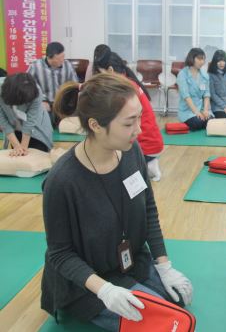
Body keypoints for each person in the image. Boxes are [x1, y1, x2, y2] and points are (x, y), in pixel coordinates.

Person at [42, 73, 193, 332]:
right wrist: (105, 290)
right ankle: (81, 306)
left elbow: (148, 209)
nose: (139, 130)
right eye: (129, 123)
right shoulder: (62, 181)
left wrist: (164, 265)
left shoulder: (131, 151)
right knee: (166, 324)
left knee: (177, 300)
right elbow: (60, 254)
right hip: (86, 282)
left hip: (129, 262)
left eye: (139, 119)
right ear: (96, 125)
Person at [94, 51, 164, 181]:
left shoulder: (124, 88)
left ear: (110, 70)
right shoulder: (130, 82)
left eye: (101, 73)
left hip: (145, 146)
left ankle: (146, 164)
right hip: (153, 143)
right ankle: (149, 163)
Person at [27, 41, 78, 126]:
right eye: (59, 58)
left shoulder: (67, 65)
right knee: (44, 122)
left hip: (63, 103)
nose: (63, 60)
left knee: (69, 124)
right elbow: (27, 87)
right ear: (50, 58)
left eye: (63, 56)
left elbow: (74, 85)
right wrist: (40, 101)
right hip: (44, 103)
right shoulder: (35, 66)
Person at [0, 73, 52, 154]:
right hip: (15, 126)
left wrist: (24, 147)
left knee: (38, 154)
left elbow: (31, 120)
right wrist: (17, 145)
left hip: (36, 126)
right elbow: (2, 119)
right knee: (17, 154)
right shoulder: (1, 89)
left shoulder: (35, 92)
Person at [177, 48, 212, 130]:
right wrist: (196, 112)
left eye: (203, 59)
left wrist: (206, 110)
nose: (202, 62)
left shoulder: (204, 75)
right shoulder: (182, 74)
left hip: (201, 109)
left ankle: (202, 120)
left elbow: (207, 95)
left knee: (210, 121)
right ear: (192, 58)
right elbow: (186, 96)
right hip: (188, 111)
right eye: (199, 59)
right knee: (198, 122)